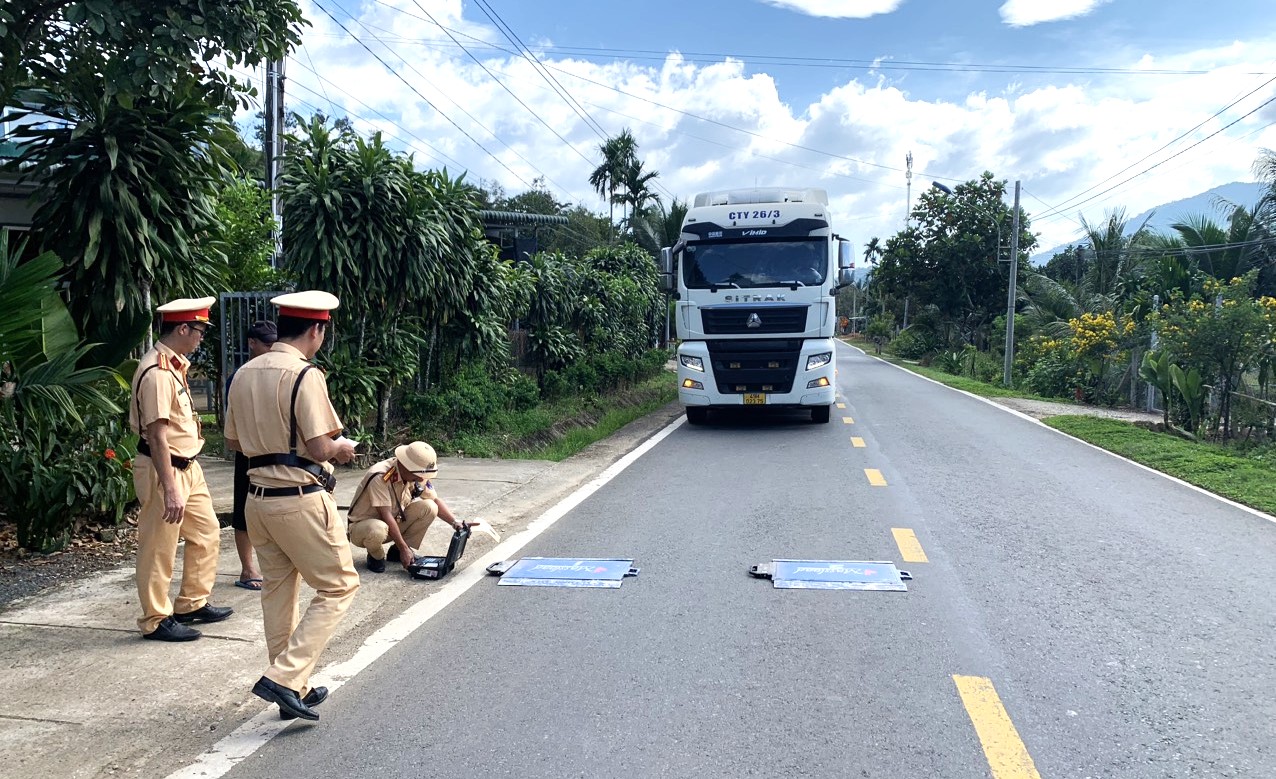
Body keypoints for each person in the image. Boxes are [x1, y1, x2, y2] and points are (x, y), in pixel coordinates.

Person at [224, 290, 359, 722]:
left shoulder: (244, 373)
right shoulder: (306, 375)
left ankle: (292, 687)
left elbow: (232, 442)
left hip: (257, 500)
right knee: (339, 586)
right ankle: (284, 678)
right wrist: (342, 448)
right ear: (317, 330)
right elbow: (321, 444)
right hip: (298, 498)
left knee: (278, 594)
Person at [129, 297, 233, 642]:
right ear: (183, 328)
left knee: (206, 533)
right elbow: (157, 435)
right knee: (159, 545)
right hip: (165, 469)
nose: (201, 337)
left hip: (188, 465)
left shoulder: (174, 366)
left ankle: (191, 602)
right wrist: (170, 486)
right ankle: (155, 619)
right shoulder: (158, 372)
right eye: (200, 330)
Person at [347, 441, 465, 573]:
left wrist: (455, 523)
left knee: (429, 507)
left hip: (394, 522)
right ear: (405, 466)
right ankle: (376, 556)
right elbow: (385, 516)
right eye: (418, 476)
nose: (421, 480)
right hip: (363, 529)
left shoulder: (417, 473)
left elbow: (435, 500)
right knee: (378, 529)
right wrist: (405, 549)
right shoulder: (380, 476)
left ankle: (397, 552)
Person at [226, 320, 277, 591]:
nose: (271, 348)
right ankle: (248, 568)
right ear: (251, 343)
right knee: (243, 512)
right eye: (266, 343)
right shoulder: (239, 377)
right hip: (248, 452)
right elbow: (232, 425)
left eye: (274, 343)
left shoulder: (282, 372)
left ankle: (278, 564)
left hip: (278, 453)